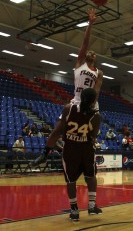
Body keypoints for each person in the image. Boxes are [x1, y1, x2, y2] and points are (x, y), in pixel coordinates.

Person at [30, 88, 102, 221]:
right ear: (94, 101)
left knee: (70, 180)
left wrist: (46, 152)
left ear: (80, 96)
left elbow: (57, 131)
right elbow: (93, 136)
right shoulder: (96, 116)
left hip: (70, 149)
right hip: (86, 149)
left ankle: (74, 211)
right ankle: (92, 205)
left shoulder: (68, 108)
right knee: (91, 176)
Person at [71, 8, 103, 109]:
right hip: (77, 99)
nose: (92, 53)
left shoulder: (99, 73)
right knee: (62, 120)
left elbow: (96, 90)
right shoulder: (80, 63)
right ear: (85, 56)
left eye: (94, 54)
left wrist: (94, 102)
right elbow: (85, 42)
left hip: (90, 101)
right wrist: (90, 24)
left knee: (95, 122)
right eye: (90, 52)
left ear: (95, 59)